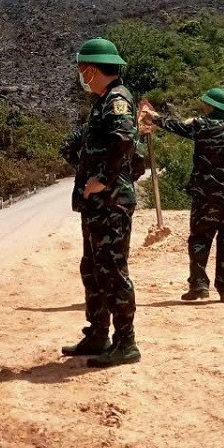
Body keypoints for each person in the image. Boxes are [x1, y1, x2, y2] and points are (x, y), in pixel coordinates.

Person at [59, 38, 142, 367]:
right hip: (98, 205)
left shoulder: (117, 99)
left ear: (92, 69)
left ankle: (125, 342)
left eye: (83, 69)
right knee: (93, 269)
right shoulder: (104, 100)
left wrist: (104, 179)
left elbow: (123, 139)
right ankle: (97, 333)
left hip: (112, 202)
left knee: (112, 270)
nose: (81, 75)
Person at [143, 87, 224, 303]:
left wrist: (154, 117)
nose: (204, 106)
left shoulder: (202, 126)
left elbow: (175, 126)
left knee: (200, 241)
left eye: (206, 104)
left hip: (206, 197)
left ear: (213, 106)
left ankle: (199, 286)